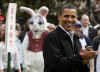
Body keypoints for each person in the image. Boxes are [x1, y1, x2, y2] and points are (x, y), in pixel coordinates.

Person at [42, 4, 98, 72]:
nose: (69, 19)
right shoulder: (51, 37)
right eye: (66, 16)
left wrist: (85, 59)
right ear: (59, 17)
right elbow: (55, 65)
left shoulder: (75, 37)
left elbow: (76, 64)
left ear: (76, 18)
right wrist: (80, 57)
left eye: (73, 17)